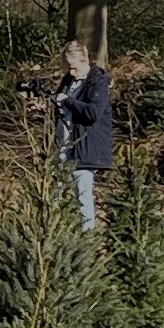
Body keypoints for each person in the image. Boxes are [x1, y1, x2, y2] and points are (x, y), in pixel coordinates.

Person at [48, 39, 114, 231]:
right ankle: (51, 231)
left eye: (72, 67)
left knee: (82, 194)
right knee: (54, 192)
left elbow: (93, 113)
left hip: (84, 150)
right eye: (67, 67)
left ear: (84, 61)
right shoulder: (68, 80)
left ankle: (87, 238)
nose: (70, 71)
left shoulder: (97, 82)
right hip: (63, 145)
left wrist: (68, 100)